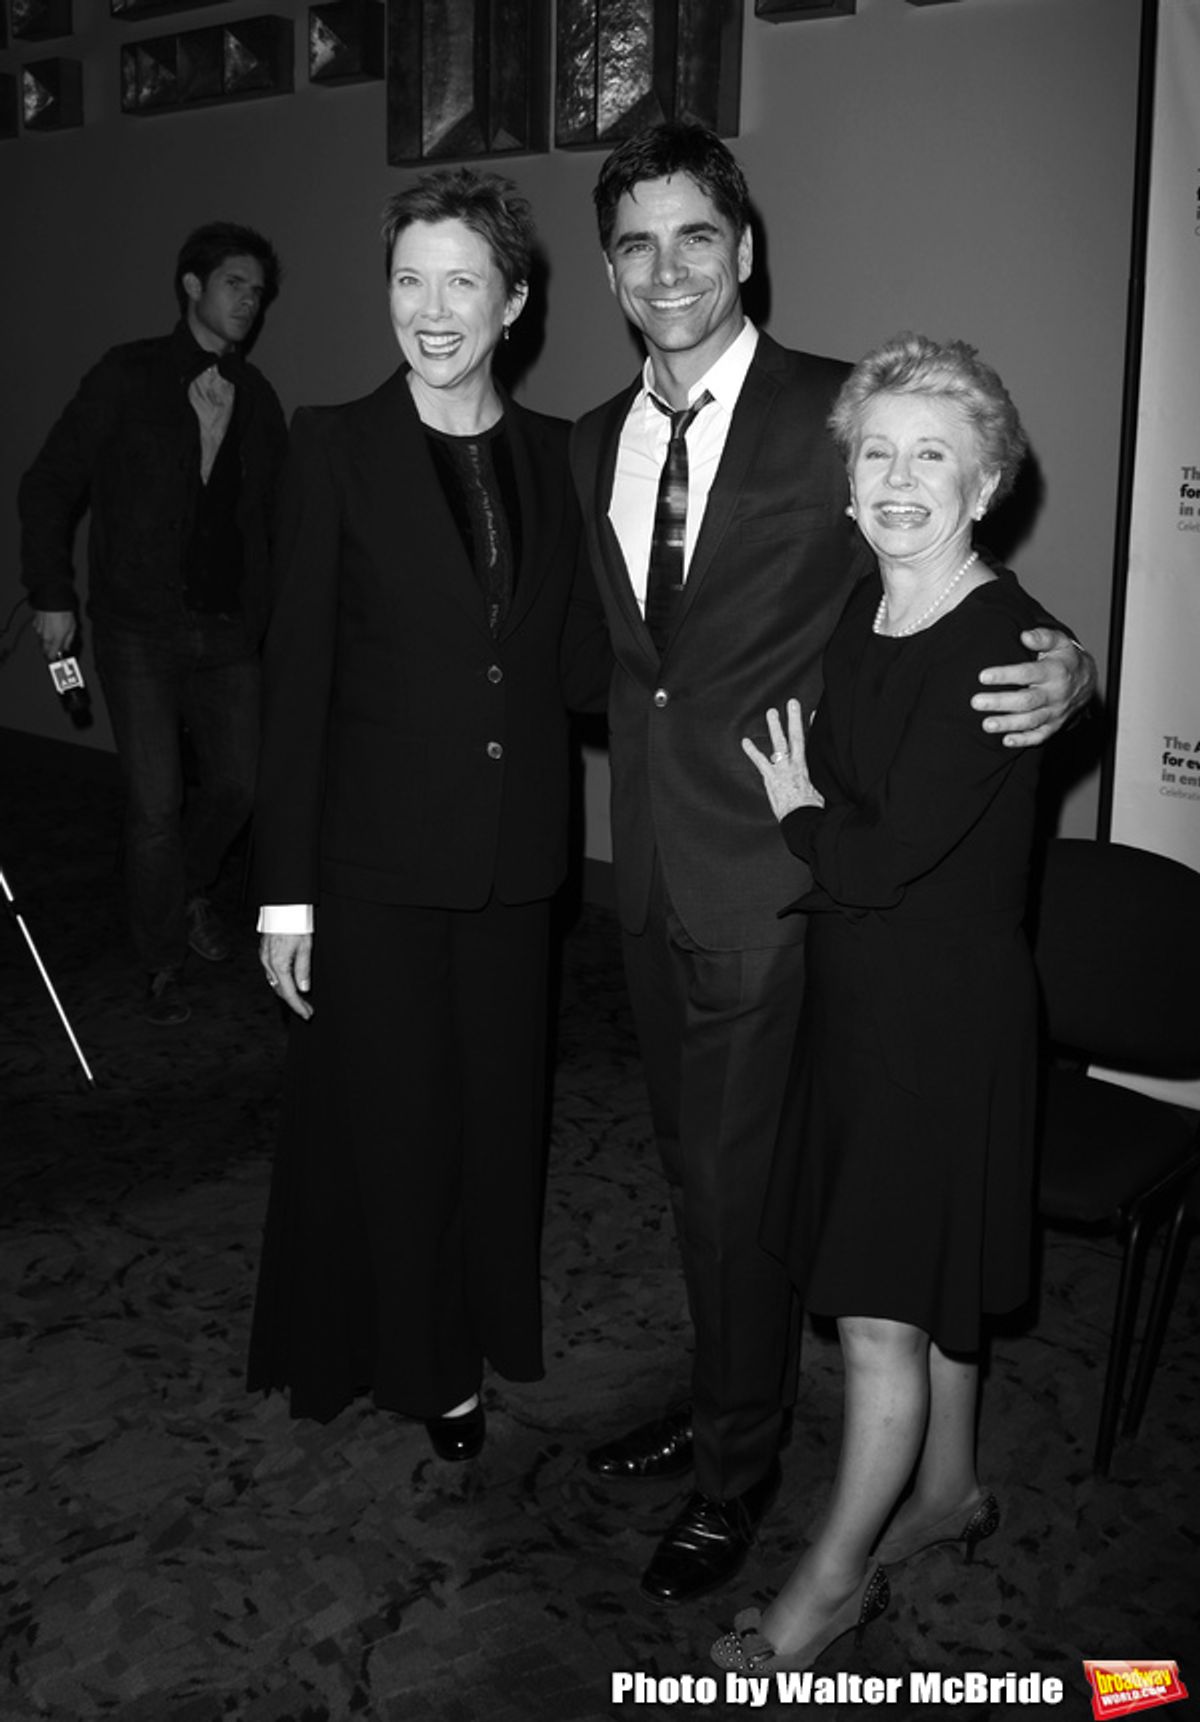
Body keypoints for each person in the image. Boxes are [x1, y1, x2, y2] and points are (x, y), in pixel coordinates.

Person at [569, 121, 1094, 1605]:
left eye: (697, 237)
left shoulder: (834, 416)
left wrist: (1075, 664)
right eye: (636, 243)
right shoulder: (586, 438)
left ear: (747, 252)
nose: (667, 268)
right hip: (649, 876)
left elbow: (952, 561)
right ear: (610, 270)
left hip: (789, 884)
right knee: (700, 1181)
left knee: (746, 1190)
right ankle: (730, 1383)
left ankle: (740, 1472)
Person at [247, 169, 610, 1460]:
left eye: (462, 279)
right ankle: (425, 1361)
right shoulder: (333, 441)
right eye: (410, 278)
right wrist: (285, 888)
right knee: (398, 1120)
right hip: (377, 864)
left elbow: (576, 665)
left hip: (515, 864)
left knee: (496, 1117)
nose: (432, 307)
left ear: (512, 300)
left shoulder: (559, 452)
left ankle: (484, 1319)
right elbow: (296, 679)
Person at [712, 333, 1046, 1672]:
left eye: (935, 457)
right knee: (937, 1269)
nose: (901, 477)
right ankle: (950, 1490)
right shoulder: (869, 608)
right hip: (869, 998)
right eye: (879, 453)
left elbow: (875, 848)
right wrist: (824, 811)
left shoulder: (1003, 647)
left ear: (987, 485)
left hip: (936, 1023)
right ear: (850, 482)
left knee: (880, 1313)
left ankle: (827, 1586)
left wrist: (799, 815)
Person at [19, 222, 287, 1027]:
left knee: (240, 784)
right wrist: (51, 594)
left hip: (228, 631)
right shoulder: (128, 375)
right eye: (237, 283)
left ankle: (186, 889)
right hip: (138, 628)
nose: (251, 301)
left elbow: (276, 519)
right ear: (191, 286)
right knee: (154, 805)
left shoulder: (259, 396)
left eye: (259, 291)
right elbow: (48, 484)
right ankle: (159, 950)